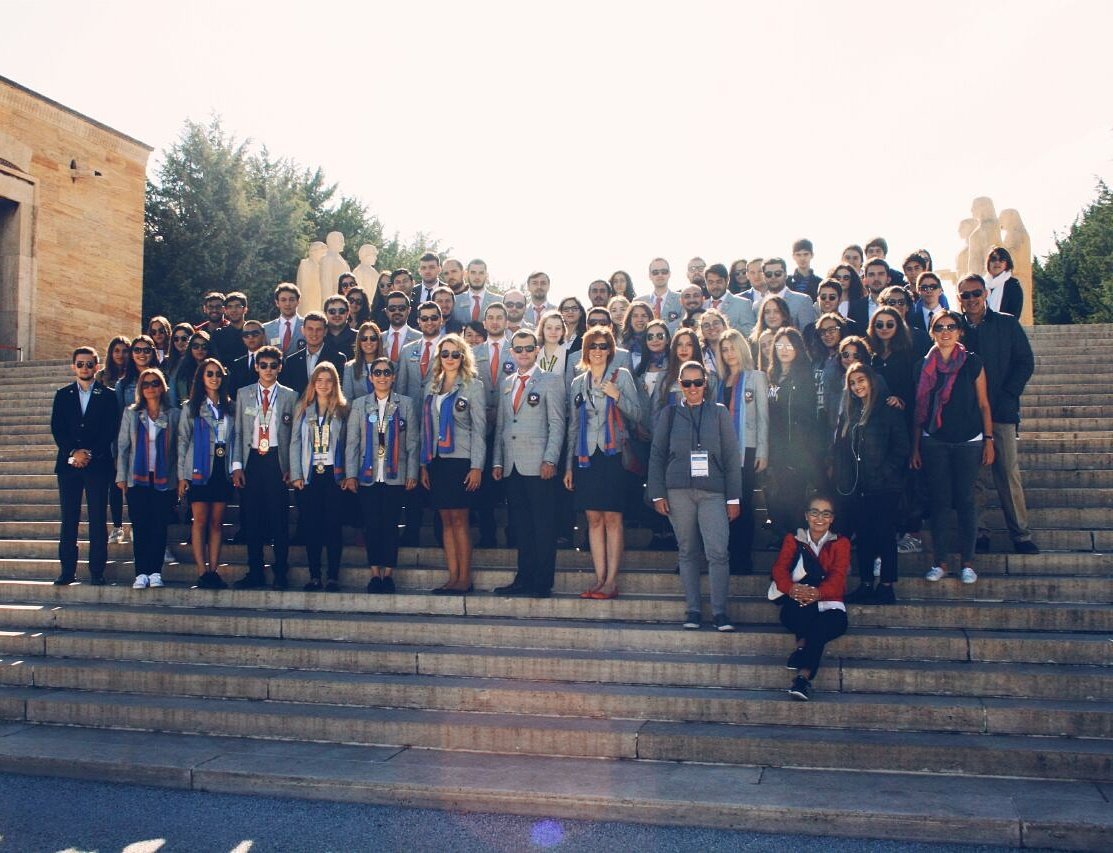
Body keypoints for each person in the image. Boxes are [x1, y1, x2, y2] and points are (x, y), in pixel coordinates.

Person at [648, 360, 742, 631]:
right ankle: (693, 610)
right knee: (687, 551)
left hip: (713, 491)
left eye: (697, 382)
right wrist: (657, 493)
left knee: (717, 552)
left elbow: (732, 457)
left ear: (705, 384)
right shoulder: (669, 414)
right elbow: (657, 454)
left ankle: (720, 612)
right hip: (678, 491)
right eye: (686, 383)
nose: (692, 388)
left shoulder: (719, 413)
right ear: (679, 384)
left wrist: (733, 498)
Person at [911, 310, 995, 585]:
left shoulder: (972, 362)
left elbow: (984, 404)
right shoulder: (923, 365)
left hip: (968, 440)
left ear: (960, 331)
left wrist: (989, 439)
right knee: (939, 502)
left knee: (967, 501)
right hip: (934, 440)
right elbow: (919, 411)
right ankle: (941, 561)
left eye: (951, 326)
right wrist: (915, 447)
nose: (945, 331)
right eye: (939, 327)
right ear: (932, 332)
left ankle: (968, 562)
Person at [957, 274, 1039, 555]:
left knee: (1007, 473)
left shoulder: (1006, 323)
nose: (971, 299)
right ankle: (979, 531)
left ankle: (1021, 533)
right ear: (960, 299)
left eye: (976, 293)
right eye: (965, 295)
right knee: (973, 478)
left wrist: (1008, 394)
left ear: (985, 294)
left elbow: (1025, 361)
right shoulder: (956, 328)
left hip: (1001, 412)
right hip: (969, 415)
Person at [564, 327, 642, 599]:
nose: (597, 351)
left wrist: (617, 396)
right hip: (586, 457)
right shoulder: (577, 382)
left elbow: (638, 415)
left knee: (612, 517)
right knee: (593, 519)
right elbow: (573, 427)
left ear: (610, 350)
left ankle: (611, 580)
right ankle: (599, 579)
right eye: (592, 346)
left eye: (602, 346)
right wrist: (568, 467)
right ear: (586, 351)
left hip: (613, 455)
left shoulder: (621, 377)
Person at [491, 329, 567, 597]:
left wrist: (550, 458)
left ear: (536, 350)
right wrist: (498, 461)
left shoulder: (551, 381)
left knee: (543, 525)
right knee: (521, 526)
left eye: (528, 348)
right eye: (518, 349)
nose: (523, 353)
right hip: (512, 464)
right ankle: (523, 577)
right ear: (511, 353)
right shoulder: (507, 383)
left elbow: (557, 424)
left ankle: (542, 581)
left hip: (539, 465)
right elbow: (502, 424)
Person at [834, 363, 910, 604]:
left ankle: (886, 586)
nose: (857, 386)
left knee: (885, 536)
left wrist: (884, 472)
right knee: (864, 536)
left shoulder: (888, 408)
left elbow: (901, 448)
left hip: (885, 486)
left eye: (861, 380)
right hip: (859, 486)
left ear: (872, 380)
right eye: (852, 382)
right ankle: (866, 583)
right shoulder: (851, 412)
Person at [343, 356, 419, 594]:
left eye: (387, 372)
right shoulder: (360, 404)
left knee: (390, 524)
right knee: (372, 525)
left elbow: (413, 443)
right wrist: (351, 474)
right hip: (368, 474)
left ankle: (389, 574)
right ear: (370, 377)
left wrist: (412, 472)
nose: (382, 377)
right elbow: (352, 442)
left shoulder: (405, 403)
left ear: (393, 376)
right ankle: (375, 572)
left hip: (395, 474)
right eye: (377, 373)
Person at [420, 333, 486, 593]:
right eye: (444, 354)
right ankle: (452, 576)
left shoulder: (473, 386)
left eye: (455, 354)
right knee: (445, 519)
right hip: (436, 460)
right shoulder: (432, 386)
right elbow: (426, 427)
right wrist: (424, 464)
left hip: (461, 460)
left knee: (460, 519)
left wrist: (477, 466)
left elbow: (479, 430)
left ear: (463, 357)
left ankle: (464, 578)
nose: (449, 358)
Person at [769, 494, 850, 701]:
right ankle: (803, 649)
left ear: (832, 518)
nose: (819, 518)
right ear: (806, 516)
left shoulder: (841, 543)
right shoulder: (794, 539)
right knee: (793, 615)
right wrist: (792, 590)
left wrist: (818, 593)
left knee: (820, 628)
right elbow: (779, 569)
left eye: (826, 513)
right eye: (814, 512)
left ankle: (803, 676)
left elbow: (839, 577)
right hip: (799, 600)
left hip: (831, 604)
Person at [51, 347, 121, 586]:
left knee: (98, 518)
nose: (85, 368)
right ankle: (67, 571)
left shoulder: (108, 395)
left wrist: (90, 453)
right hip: (69, 465)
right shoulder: (62, 395)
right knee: (69, 518)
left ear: (97, 366)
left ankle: (97, 571)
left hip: (97, 464)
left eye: (89, 364)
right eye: (80, 364)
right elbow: (57, 428)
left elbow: (110, 429)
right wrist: (73, 452)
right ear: (73, 366)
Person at [231, 345, 296, 590]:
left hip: (276, 460)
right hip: (252, 460)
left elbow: (294, 435)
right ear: (256, 367)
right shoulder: (244, 393)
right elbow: (238, 432)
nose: (268, 370)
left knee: (279, 519)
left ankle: (281, 571)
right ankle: (255, 571)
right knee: (252, 519)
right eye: (263, 365)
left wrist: (291, 466)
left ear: (279, 367)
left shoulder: (290, 395)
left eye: (273, 365)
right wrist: (237, 466)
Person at [116, 367, 180, 590]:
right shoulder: (131, 413)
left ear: (162, 387)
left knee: (159, 526)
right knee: (140, 526)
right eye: (145, 384)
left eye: (155, 383)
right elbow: (123, 447)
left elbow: (179, 449)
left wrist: (181, 478)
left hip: (165, 478)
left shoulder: (173, 414)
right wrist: (121, 477)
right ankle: (141, 572)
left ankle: (155, 572)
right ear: (140, 389)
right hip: (137, 478)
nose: (150, 388)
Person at [290, 362, 349, 591]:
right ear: (313, 384)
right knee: (312, 526)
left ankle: (333, 576)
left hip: (334, 475)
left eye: (328, 380)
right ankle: (314, 575)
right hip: (309, 475)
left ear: (335, 384)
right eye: (319, 380)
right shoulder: (303, 408)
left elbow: (348, 444)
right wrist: (296, 473)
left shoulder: (343, 410)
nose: (323, 385)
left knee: (333, 526)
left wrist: (347, 472)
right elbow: (294, 442)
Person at [176, 357, 234, 589]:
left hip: (222, 468)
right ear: (202, 377)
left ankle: (214, 569)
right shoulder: (191, 407)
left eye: (218, 374)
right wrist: (182, 475)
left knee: (217, 522)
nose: (214, 378)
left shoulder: (230, 406)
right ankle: (202, 571)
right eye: (209, 374)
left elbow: (236, 437)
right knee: (199, 520)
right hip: (198, 470)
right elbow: (182, 441)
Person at [716, 328, 769, 574]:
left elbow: (763, 417)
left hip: (747, 448)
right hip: (721, 452)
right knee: (723, 503)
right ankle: (726, 553)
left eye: (732, 348)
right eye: (724, 350)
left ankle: (742, 558)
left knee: (743, 503)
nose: (729, 353)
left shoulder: (755, 377)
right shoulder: (719, 381)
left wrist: (762, 450)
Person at [764, 327, 818, 536]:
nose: (784, 350)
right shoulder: (772, 376)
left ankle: (796, 550)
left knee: (794, 503)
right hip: (774, 450)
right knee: (776, 499)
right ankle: (782, 544)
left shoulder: (805, 377)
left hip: (796, 452)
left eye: (789, 345)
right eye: (779, 345)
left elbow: (808, 417)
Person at [97, 336, 130, 545]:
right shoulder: (102, 376)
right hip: (110, 434)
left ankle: (135, 524)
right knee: (114, 483)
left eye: (125, 350)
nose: (120, 354)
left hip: (132, 433)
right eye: (116, 350)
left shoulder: (133, 375)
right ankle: (117, 526)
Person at [278, 311, 347, 397]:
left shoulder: (337, 358)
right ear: (303, 330)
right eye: (310, 329)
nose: (314, 333)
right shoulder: (291, 361)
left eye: (318, 329)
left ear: (325, 331)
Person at [758, 257, 816, 330]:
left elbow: (809, 335)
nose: (773, 277)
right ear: (764, 277)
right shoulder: (758, 305)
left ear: (785, 275)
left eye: (778, 273)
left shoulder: (802, 301)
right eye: (769, 274)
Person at [704, 262, 756, 336]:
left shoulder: (743, 304)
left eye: (719, 281)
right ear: (706, 282)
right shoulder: (702, 306)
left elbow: (751, 333)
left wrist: (726, 326)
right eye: (711, 282)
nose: (715, 286)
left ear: (727, 280)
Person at [342, 321, 383, 403]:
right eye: (364, 339)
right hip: (359, 414)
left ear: (378, 341)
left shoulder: (390, 365)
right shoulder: (349, 367)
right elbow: (348, 399)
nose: (369, 342)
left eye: (373, 338)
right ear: (359, 342)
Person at [634, 258, 682, 328]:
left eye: (664, 271)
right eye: (655, 272)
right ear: (649, 276)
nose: (660, 275)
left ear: (669, 274)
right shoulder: (638, 302)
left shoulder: (681, 300)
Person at [116, 335, 156, 413]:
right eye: (137, 350)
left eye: (147, 350)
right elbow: (121, 414)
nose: (142, 354)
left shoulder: (165, 379)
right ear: (131, 354)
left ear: (153, 353)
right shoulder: (122, 384)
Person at [750, 296, 791, 371]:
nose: (771, 316)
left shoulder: (793, 339)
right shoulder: (754, 342)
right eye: (767, 312)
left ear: (784, 315)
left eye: (776, 311)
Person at [262, 283, 305, 356]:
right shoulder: (266, 328)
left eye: (291, 300)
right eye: (283, 300)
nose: (287, 304)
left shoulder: (307, 326)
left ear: (298, 302)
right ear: (277, 303)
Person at [453, 258, 498, 326]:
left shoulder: (499, 301)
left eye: (481, 273)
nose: (477, 277)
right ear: (466, 274)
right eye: (473, 272)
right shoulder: (455, 301)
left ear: (487, 275)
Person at [170, 329, 209, 407]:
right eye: (195, 346)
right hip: (186, 412)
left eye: (204, 346)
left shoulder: (215, 369)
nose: (200, 349)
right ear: (190, 348)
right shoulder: (181, 368)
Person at [381, 290, 421, 367]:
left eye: (401, 308)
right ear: (386, 311)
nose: (397, 311)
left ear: (409, 310)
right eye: (392, 308)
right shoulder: (379, 338)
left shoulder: (420, 339)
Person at [209, 292, 249, 366]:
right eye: (230, 307)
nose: (234, 310)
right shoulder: (217, 335)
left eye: (237, 306)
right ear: (225, 310)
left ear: (245, 309)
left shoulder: (253, 333)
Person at [983, 245, 1024, 317]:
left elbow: (1014, 315)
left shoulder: (1013, 285)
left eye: (1001, 260)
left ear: (1007, 264)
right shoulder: (980, 284)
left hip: (1004, 327)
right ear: (988, 263)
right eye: (993, 259)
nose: (997, 262)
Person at [619, 301, 654, 372]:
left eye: (644, 316)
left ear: (650, 319)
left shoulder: (656, 344)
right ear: (629, 320)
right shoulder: (621, 345)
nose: (640, 319)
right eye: (635, 316)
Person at [535, 310, 569, 379]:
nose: (553, 332)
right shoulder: (534, 353)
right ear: (542, 329)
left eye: (558, 328)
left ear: (563, 331)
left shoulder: (568, 355)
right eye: (549, 328)